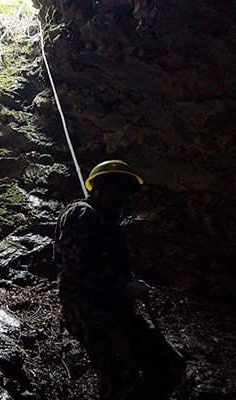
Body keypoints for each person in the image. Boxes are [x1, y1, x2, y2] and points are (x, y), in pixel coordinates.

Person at [53, 160, 186, 400]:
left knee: (170, 365)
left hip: (116, 308)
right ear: (100, 186)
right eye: (118, 190)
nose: (123, 198)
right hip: (87, 307)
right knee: (120, 375)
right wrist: (124, 287)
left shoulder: (108, 224)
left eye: (127, 192)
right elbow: (81, 267)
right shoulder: (82, 214)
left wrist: (129, 285)